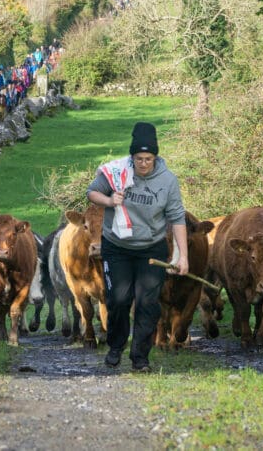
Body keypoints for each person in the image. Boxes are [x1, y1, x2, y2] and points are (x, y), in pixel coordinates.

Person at [86, 122, 188, 373]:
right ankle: (116, 346)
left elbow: (177, 218)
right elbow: (92, 192)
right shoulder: (117, 171)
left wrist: (182, 256)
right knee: (119, 300)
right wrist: (109, 200)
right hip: (117, 246)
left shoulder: (167, 180)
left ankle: (140, 357)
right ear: (132, 157)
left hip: (151, 249)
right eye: (139, 159)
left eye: (148, 159)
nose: (143, 163)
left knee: (147, 303)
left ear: (156, 157)